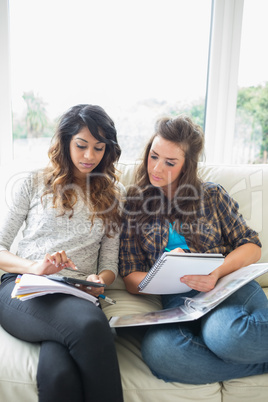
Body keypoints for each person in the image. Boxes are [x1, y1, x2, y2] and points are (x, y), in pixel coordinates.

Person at [119, 115, 268, 384]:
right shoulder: (134, 205)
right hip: (178, 301)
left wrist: (216, 271)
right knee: (160, 352)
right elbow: (130, 277)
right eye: (153, 156)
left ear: (187, 166)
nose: (157, 168)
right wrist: (164, 270)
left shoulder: (212, 195)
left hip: (225, 286)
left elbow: (251, 246)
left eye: (170, 162)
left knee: (226, 336)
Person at [0, 104, 124, 402]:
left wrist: (99, 279)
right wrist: (33, 266)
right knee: (92, 326)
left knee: (59, 376)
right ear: (66, 141)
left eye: (98, 148)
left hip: (76, 293)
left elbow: (109, 263)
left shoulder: (112, 195)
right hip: (23, 288)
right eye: (81, 145)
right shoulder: (34, 182)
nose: (89, 156)